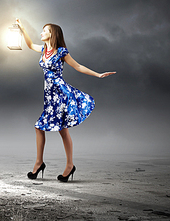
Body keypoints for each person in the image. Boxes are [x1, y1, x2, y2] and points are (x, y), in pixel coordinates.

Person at [16, 19, 116, 182]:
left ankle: (53, 164)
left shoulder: (61, 51)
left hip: (61, 94)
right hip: (49, 97)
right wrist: (22, 29)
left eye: (45, 30)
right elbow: (29, 45)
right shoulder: (43, 50)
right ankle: (46, 163)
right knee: (47, 128)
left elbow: (77, 66)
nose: (41, 33)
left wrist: (98, 74)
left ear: (52, 34)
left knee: (52, 128)